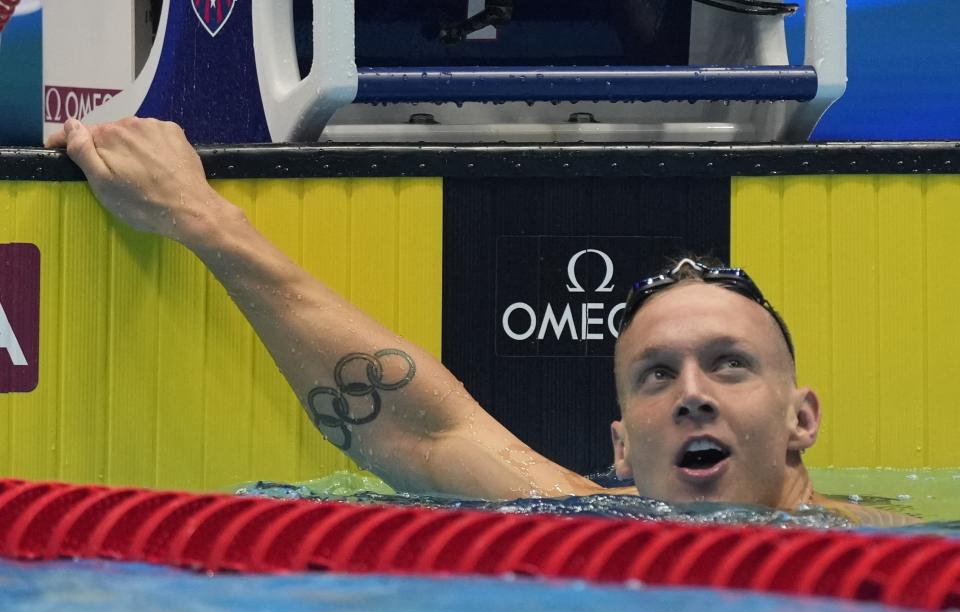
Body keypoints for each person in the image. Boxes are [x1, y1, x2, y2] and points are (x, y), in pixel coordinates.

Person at [46, 117, 917, 526]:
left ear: (802, 417)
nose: (690, 394)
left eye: (728, 364)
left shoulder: (893, 550)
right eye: (657, 373)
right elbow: (422, 428)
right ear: (619, 449)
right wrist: (202, 220)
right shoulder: (596, 520)